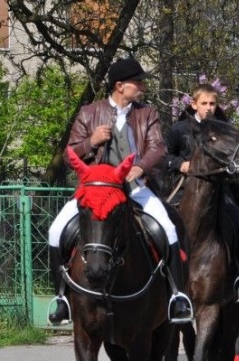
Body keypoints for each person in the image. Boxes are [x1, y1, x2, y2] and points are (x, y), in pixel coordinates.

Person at [47, 57, 193, 325]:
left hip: (135, 188)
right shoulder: (89, 113)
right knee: (56, 230)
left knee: (169, 229)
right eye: (137, 82)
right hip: (96, 191)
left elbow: (158, 149)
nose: (142, 86)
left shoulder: (146, 114)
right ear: (119, 85)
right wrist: (91, 142)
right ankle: (62, 298)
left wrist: (141, 168)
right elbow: (69, 155)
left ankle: (176, 296)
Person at [163, 83, 239, 302]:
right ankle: (162, 275)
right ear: (194, 104)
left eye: (212, 103)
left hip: (219, 190)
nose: (208, 108)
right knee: (161, 224)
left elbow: (236, 155)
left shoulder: (224, 129)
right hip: (183, 189)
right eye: (204, 103)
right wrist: (180, 164)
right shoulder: (180, 129)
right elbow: (163, 156)